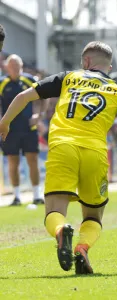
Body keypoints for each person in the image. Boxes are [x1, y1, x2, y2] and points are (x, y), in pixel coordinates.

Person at [0, 41, 117, 274]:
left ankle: (61, 230)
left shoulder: (68, 77)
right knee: (94, 214)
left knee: (54, 211)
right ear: (109, 67)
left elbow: (25, 96)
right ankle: (82, 248)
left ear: (85, 62)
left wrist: (5, 122)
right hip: (95, 152)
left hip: (63, 146)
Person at [0, 55, 46, 206]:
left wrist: (39, 116)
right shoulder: (2, 83)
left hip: (28, 128)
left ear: (21, 66)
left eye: (17, 65)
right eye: (12, 66)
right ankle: (17, 196)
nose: (14, 68)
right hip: (10, 130)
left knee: (32, 159)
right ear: (7, 67)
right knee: (13, 161)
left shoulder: (30, 80)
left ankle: (37, 195)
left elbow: (44, 97)